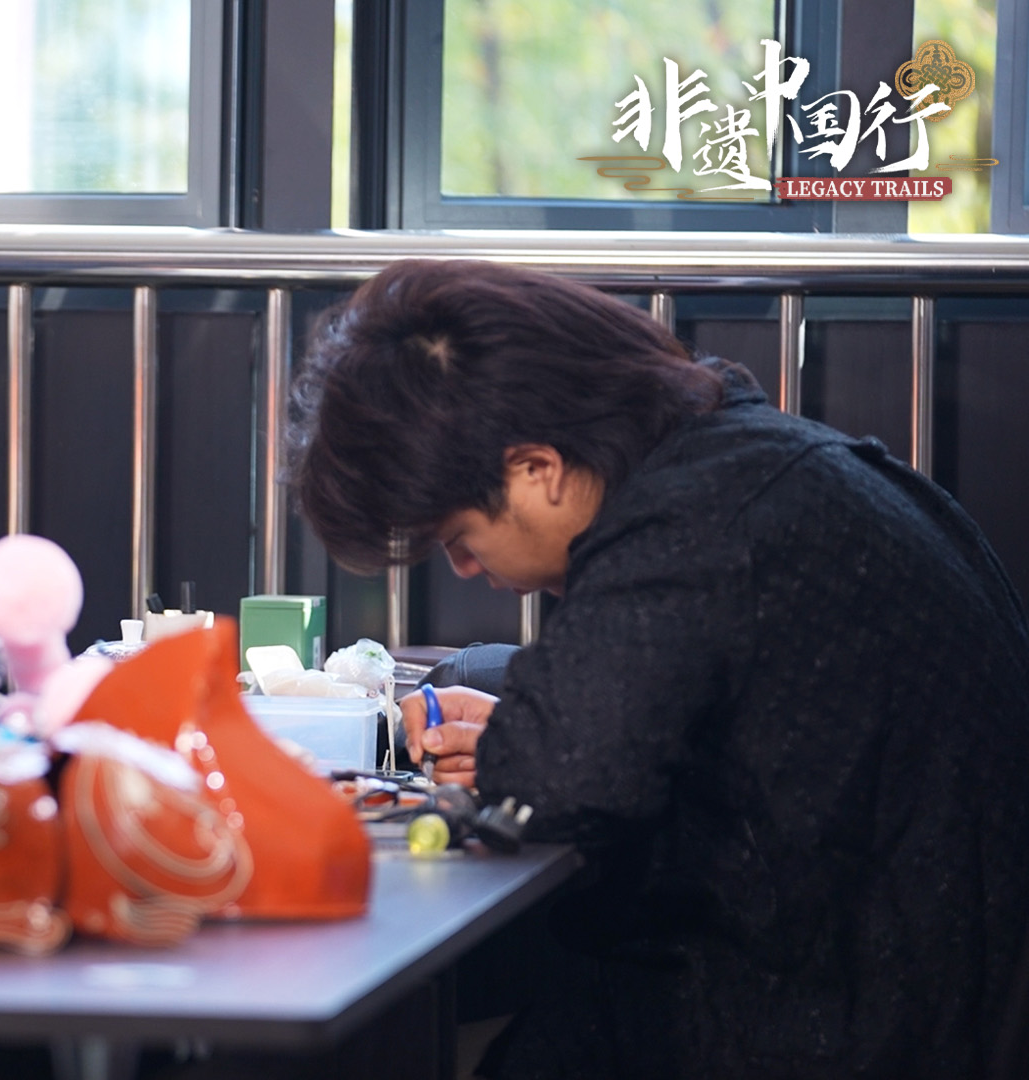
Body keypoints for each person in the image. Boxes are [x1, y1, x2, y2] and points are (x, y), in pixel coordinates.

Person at [288, 259, 1029, 1078]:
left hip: (844, 1012)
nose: (463, 568)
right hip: (904, 966)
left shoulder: (689, 519)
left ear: (537, 469)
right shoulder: (751, 460)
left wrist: (520, 748)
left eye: (460, 537)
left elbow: (551, 782)